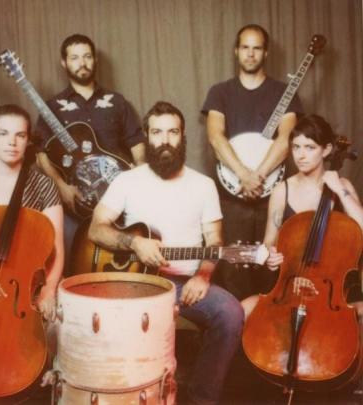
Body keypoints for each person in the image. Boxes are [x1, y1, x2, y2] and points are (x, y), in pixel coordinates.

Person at [88, 101, 244, 405]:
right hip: (136, 283)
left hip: (183, 285)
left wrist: (203, 275)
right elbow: (96, 229)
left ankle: (201, 398)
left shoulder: (203, 185)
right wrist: (134, 244)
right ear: (147, 136)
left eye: (173, 132)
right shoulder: (127, 181)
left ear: (182, 136)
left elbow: (215, 239)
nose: (165, 140)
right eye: (157, 132)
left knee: (231, 313)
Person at [0, 104, 64, 403]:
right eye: (4, 133)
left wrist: (48, 290)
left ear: (28, 140)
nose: (12, 142)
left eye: (20, 135)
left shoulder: (43, 186)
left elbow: (57, 248)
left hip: (24, 291)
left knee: (57, 330)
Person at [201, 24, 303, 301]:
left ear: (265, 53)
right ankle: (236, 326)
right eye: (245, 47)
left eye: (256, 48)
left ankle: (268, 327)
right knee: (233, 269)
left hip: (273, 196)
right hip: (232, 196)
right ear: (236, 51)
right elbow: (215, 137)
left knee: (272, 267)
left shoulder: (283, 92)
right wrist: (244, 175)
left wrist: (257, 176)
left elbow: (286, 139)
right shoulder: (220, 92)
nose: (250, 53)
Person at [35, 34, 145, 272]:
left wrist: (140, 174)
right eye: (74, 58)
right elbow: (40, 154)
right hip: (74, 206)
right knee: (70, 266)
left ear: (95, 60)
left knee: (117, 268)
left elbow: (137, 144)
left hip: (117, 207)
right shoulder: (52, 107)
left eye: (86, 56)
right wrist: (61, 187)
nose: (82, 63)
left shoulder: (117, 102)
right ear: (64, 63)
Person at [243, 114, 363, 318]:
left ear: (326, 150)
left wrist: (339, 189)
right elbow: (269, 241)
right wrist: (270, 255)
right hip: (292, 284)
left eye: (310, 147)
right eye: (296, 147)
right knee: (242, 310)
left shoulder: (342, 187)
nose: (301, 155)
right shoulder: (282, 190)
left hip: (334, 291)